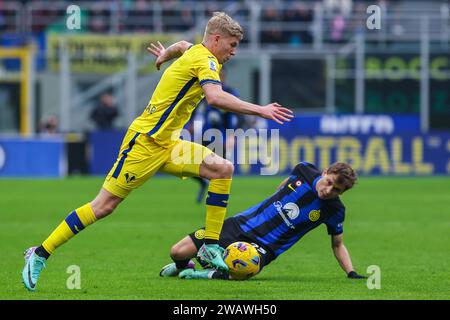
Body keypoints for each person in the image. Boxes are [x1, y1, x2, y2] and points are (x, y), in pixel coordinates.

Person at [21, 11, 293, 291]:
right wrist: (260, 109)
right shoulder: (205, 59)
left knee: (222, 168)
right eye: (232, 45)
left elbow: (182, 45)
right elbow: (214, 97)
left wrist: (165, 55)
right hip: (145, 144)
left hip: (169, 144)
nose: (234, 52)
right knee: (103, 206)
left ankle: (210, 246)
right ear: (216, 38)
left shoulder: (194, 51)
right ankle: (40, 252)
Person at [159, 162, 367, 280]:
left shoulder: (335, 210)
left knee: (241, 273)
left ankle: (200, 275)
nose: (328, 190)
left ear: (343, 192)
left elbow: (338, 244)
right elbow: (283, 186)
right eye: (329, 182)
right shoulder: (303, 170)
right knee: (177, 251)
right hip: (240, 224)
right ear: (325, 172)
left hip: (266, 247)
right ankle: (182, 266)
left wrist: (351, 272)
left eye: (336, 190)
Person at [192, 68, 243, 203]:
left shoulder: (230, 93)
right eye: (217, 75)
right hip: (205, 134)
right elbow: (194, 107)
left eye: (221, 75)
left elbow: (237, 115)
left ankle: (217, 199)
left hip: (222, 137)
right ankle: (204, 182)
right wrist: (191, 123)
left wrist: (232, 135)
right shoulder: (204, 90)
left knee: (221, 168)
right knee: (191, 162)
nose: (219, 78)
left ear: (224, 76)